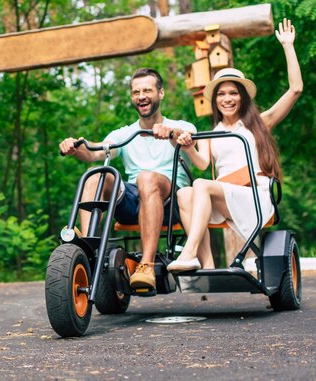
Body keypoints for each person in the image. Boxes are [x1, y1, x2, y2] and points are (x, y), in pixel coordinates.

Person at [167, 18, 302, 272]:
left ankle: (188, 252)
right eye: (221, 94)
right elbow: (202, 163)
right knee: (184, 193)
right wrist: (187, 147)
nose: (227, 99)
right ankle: (205, 265)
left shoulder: (260, 123)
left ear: (242, 97)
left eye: (233, 93)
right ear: (215, 100)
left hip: (254, 196)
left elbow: (295, 89)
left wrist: (288, 46)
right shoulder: (212, 133)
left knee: (200, 185)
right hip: (225, 199)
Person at [59, 68, 196, 291]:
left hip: (171, 204)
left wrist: (170, 133)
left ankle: (147, 266)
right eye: (136, 92)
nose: (141, 96)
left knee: (147, 178)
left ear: (160, 93)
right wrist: (76, 147)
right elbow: (93, 153)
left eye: (147, 90)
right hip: (135, 201)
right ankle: (88, 247)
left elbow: (186, 140)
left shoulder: (182, 126)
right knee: (97, 175)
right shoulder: (124, 133)